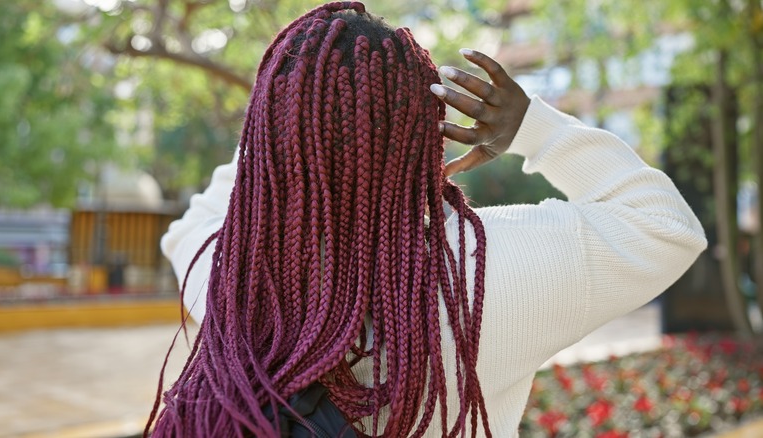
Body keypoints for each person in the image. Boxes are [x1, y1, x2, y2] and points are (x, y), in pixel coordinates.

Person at [152, 2, 707, 437]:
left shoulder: (232, 274)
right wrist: (536, 129)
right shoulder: (490, 271)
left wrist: (286, 125)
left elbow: (186, 230)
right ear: (427, 136)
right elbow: (667, 227)